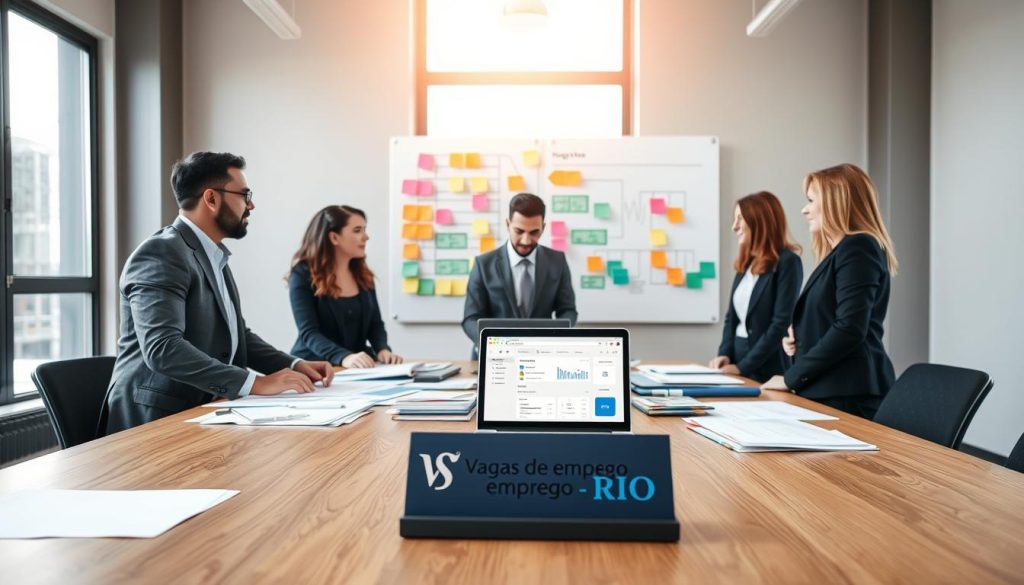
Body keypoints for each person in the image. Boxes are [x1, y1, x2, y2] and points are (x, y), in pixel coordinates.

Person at [102, 152, 334, 433]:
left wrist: (294, 364)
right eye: (245, 195)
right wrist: (255, 383)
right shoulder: (161, 253)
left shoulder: (211, 254)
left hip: (203, 409)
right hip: (155, 421)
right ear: (211, 199)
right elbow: (163, 349)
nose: (251, 205)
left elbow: (237, 335)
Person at [761, 163, 899, 419]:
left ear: (837, 202)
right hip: (831, 389)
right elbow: (836, 319)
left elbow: (849, 328)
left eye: (811, 200)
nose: (804, 209)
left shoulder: (858, 248)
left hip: (848, 393)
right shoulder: (842, 252)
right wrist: (799, 340)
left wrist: (791, 377)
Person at [288, 205, 401, 368]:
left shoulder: (363, 275)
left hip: (355, 368)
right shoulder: (302, 274)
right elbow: (309, 333)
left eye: (364, 229)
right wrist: (344, 357)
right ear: (334, 237)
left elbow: (375, 324)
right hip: (314, 367)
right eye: (357, 230)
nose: (366, 237)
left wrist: (382, 349)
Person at [462, 193, 578, 351]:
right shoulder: (483, 264)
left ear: (543, 228)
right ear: (508, 224)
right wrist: (489, 344)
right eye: (519, 231)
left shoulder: (557, 262)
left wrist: (556, 338)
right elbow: (471, 318)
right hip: (496, 354)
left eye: (534, 232)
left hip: (542, 353)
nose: (526, 240)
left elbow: (567, 311)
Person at [709, 191, 802, 382]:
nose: (735, 227)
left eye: (740, 219)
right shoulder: (746, 263)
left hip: (767, 365)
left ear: (759, 221)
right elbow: (731, 318)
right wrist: (724, 353)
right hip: (737, 356)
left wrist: (743, 367)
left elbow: (780, 323)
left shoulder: (788, 262)